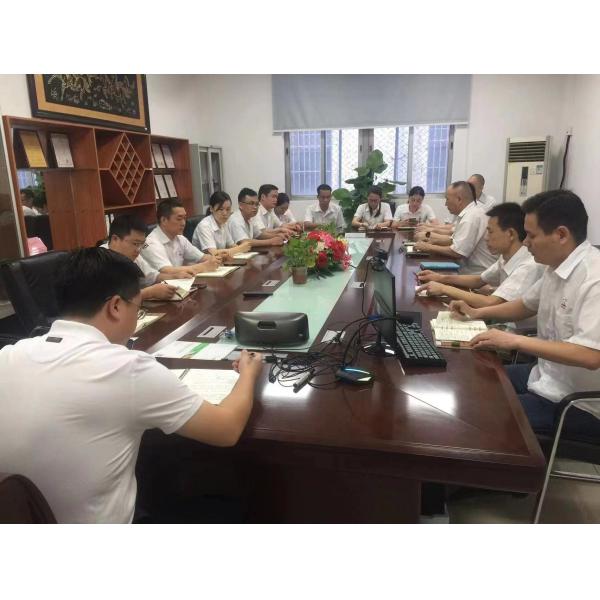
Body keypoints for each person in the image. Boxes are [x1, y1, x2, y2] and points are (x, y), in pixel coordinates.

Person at [0, 247, 264, 523]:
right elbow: (226, 430)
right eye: (137, 309)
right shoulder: (128, 369)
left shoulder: (8, 354)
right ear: (115, 306)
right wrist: (248, 373)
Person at [449, 190, 600, 440]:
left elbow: (591, 355)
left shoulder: (593, 279)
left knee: (477, 414)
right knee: (471, 378)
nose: (526, 242)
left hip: (576, 403)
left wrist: (515, 341)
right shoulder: (555, 267)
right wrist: (476, 313)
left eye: (531, 235)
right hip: (545, 376)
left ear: (561, 234)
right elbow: (525, 305)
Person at [417, 203, 543, 315]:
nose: (486, 238)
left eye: (490, 232)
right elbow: (479, 280)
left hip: (513, 328)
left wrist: (444, 288)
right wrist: (441, 278)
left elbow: (490, 303)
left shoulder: (528, 266)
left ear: (510, 234)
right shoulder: (507, 257)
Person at [105, 214, 194, 301]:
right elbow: (111, 301)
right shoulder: (101, 260)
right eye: (135, 243)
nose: (138, 249)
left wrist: (174, 276)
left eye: (141, 244)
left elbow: (152, 277)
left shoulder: (133, 256)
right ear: (115, 239)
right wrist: (149, 293)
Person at [414, 180, 496, 274]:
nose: (445, 204)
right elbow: (454, 240)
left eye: (447, 199)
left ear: (459, 199)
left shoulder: (471, 217)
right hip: (467, 269)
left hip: (476, 274)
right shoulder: (469, 213)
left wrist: (428, 247)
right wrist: (432, 239)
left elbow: (457, 252)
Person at [142, 199, 221, 275]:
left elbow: (202, 257)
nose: (183, 223)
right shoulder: (151, 243)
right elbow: (167, 271)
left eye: (184, 218)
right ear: (164, 220)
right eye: (179, 219)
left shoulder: (180, 238)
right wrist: (203, 267)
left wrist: (216, 259)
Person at [191, 191, 252, 257]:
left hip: (220, 262)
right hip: (202, 262)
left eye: (228, 209)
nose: (225, 213)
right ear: (211, 208)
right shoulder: (204, 226)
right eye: (221, 209)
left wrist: (243, 247)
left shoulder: (224, 223)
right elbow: (214, 253)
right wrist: (240, 249)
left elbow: (231, 245)